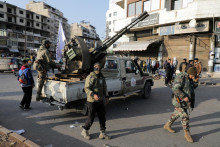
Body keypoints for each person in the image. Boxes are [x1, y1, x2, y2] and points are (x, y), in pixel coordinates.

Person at [163, 67, 198, 143]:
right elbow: (175, 89)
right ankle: (187, 134)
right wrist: (184, 96)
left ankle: (167, 125)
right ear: (189, 73)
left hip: (184, 101)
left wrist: (196, 81)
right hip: (179, 100)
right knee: (185, 116)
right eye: (192, 76)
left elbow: (192, 88)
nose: (193, 77)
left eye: (194, 76)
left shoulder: (190, 78)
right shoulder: (181, 77)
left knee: (176, 113)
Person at [81, 62, 111, 140]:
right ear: (94, 68)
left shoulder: (102, 77)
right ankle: (84, 131)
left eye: (99, 68)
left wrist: (107, 96)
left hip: (100, 100)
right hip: (91, 101)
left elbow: (105, 87)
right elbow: (86, 88)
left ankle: (102, 133)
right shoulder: (90, 77)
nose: (98, 69)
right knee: (91, 118)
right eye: (96, 68)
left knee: (102, 117)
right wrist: (93, 94)